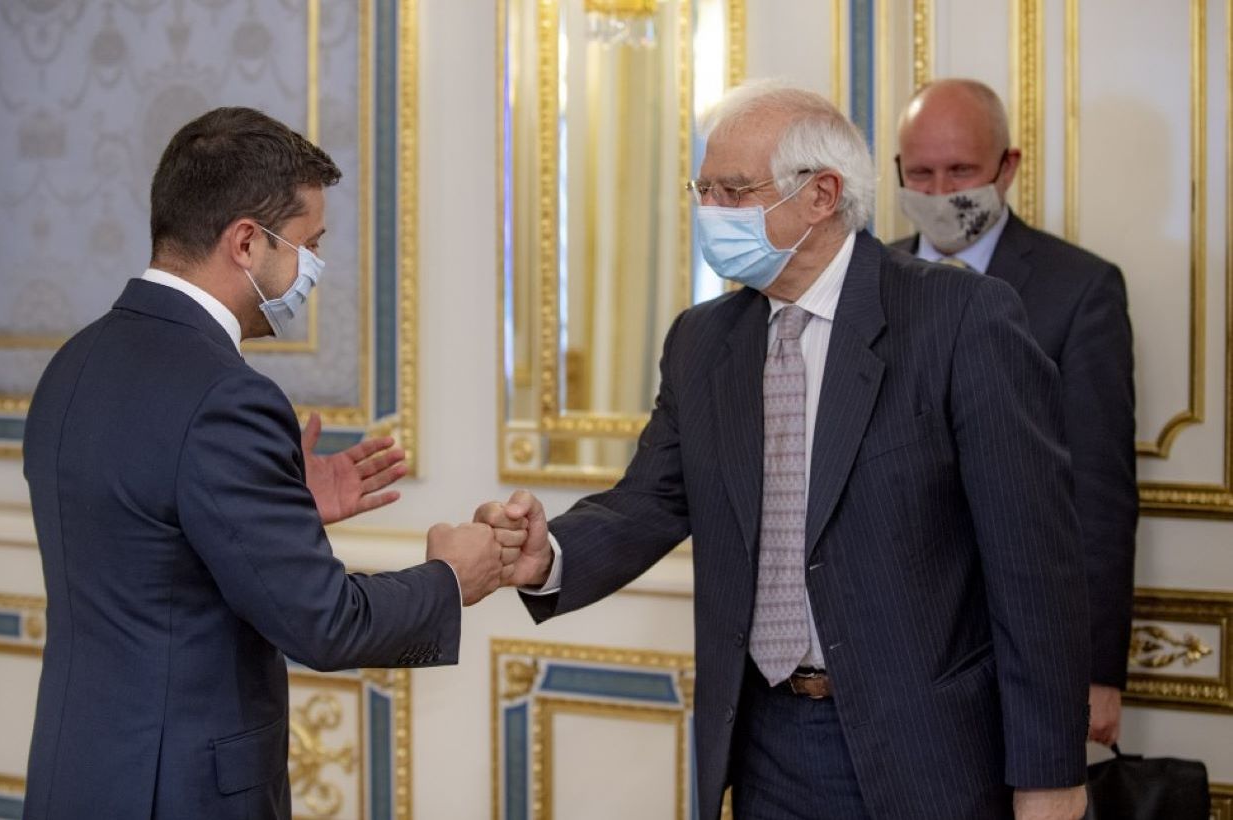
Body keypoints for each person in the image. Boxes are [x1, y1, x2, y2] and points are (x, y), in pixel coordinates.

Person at [479, 80, 1091, 819]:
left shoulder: (958, 317)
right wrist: (548, 556)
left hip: (927, 747)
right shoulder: (703, 341)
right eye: (703, 190)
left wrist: (1050, 775)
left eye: (733, 191)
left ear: (820, 195)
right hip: (764, 740)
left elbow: (1034, 564)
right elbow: (650, 501)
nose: (711, 211)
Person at [21, 107, 511, 820]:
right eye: (309, 245)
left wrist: (278, 509)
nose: (314, 269)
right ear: (247, 242)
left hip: (76, 772)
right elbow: (324, 625)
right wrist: (450, 579)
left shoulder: (73, 362)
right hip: (181, 792)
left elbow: (149, 539)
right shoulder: (228, 397)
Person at [891, 78, 1138, 747]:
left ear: (1008, 167)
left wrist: (1097, 670)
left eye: (961, 171)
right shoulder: (865, 280)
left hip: (1021, 643)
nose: (940, 193)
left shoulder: (1080, 289)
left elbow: (1099, 491)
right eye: (921, 173)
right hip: (887, 644)